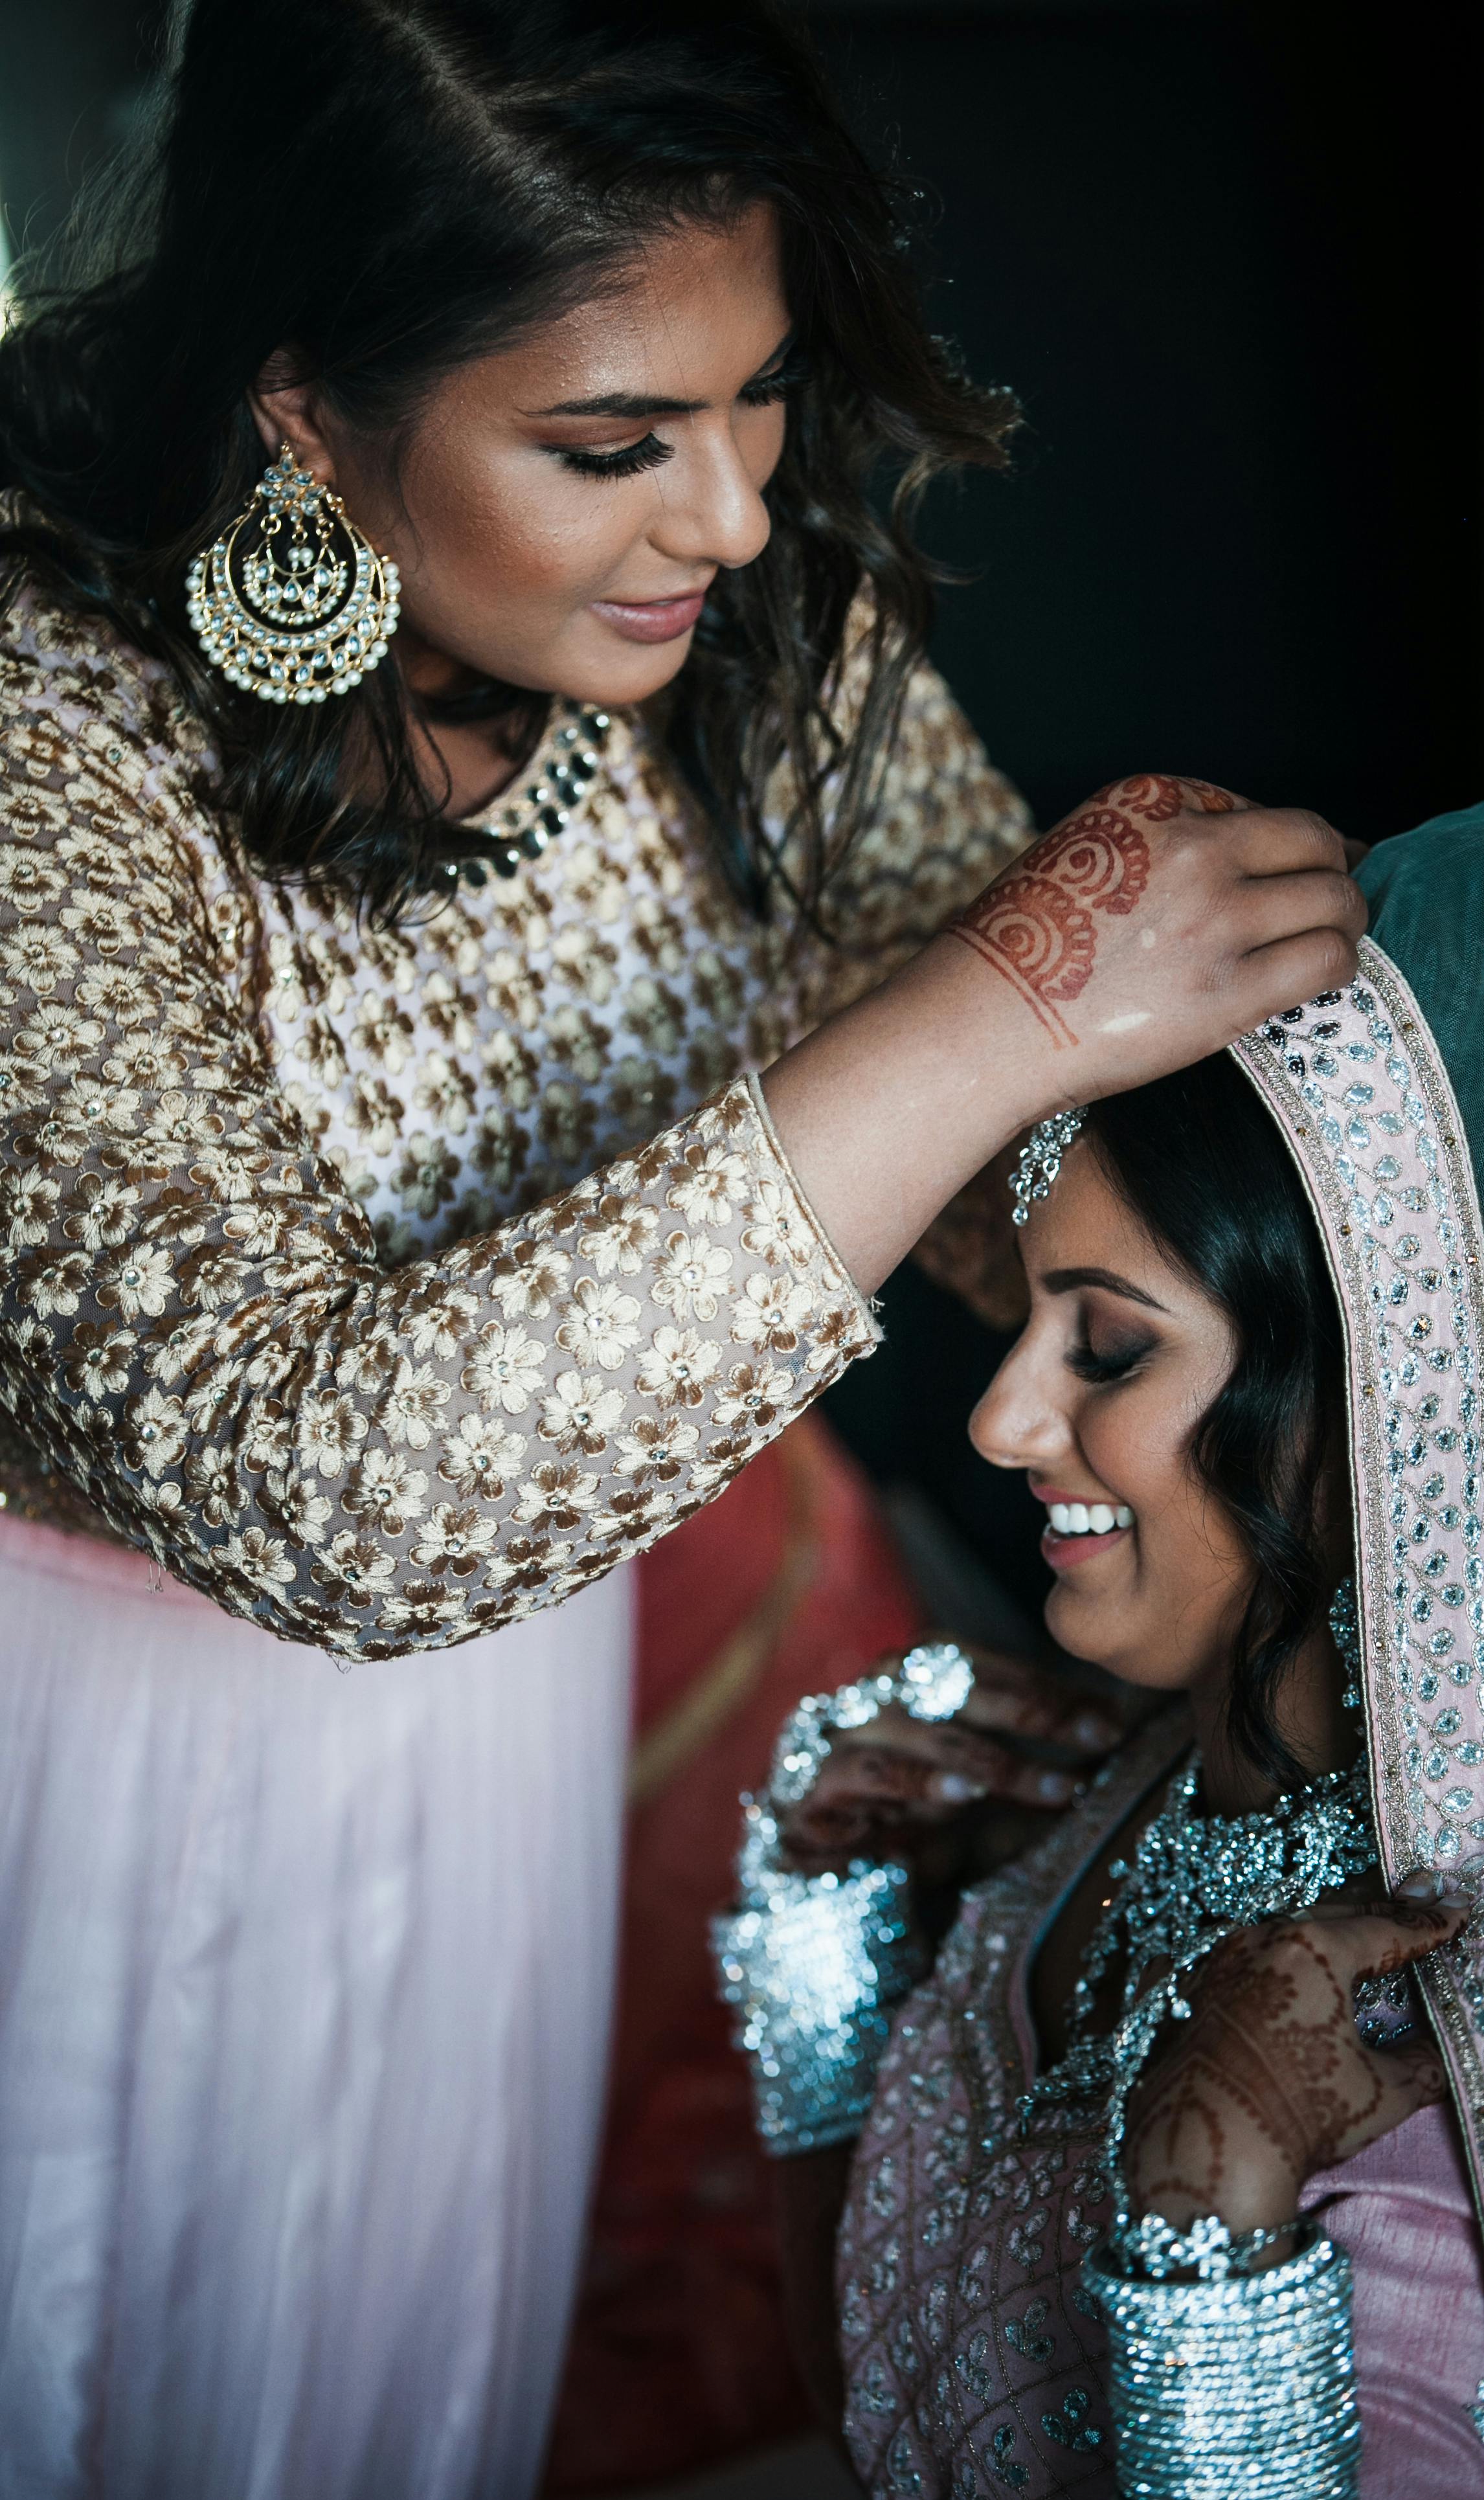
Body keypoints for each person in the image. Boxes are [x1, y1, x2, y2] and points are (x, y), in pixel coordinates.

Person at [0, 3, 1365, 2492]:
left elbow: (1024, 1202)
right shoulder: (50, 743)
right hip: (85, 1763)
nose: (731, 519)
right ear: (307, 417)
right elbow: (317, 1499)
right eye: (614, 445)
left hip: (496, 1727)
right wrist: (1002, 1003)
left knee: (406, 2398)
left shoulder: (754, 641)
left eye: (760, 399)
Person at [732, 801, 1484, 2495]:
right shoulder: (1129, 1808)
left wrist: (1217, 2241)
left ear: (1378, 1400)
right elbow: (871, 2407)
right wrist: (827, 1954)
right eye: (1032, 1324)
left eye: (1106, 1348)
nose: (1003, 1419)